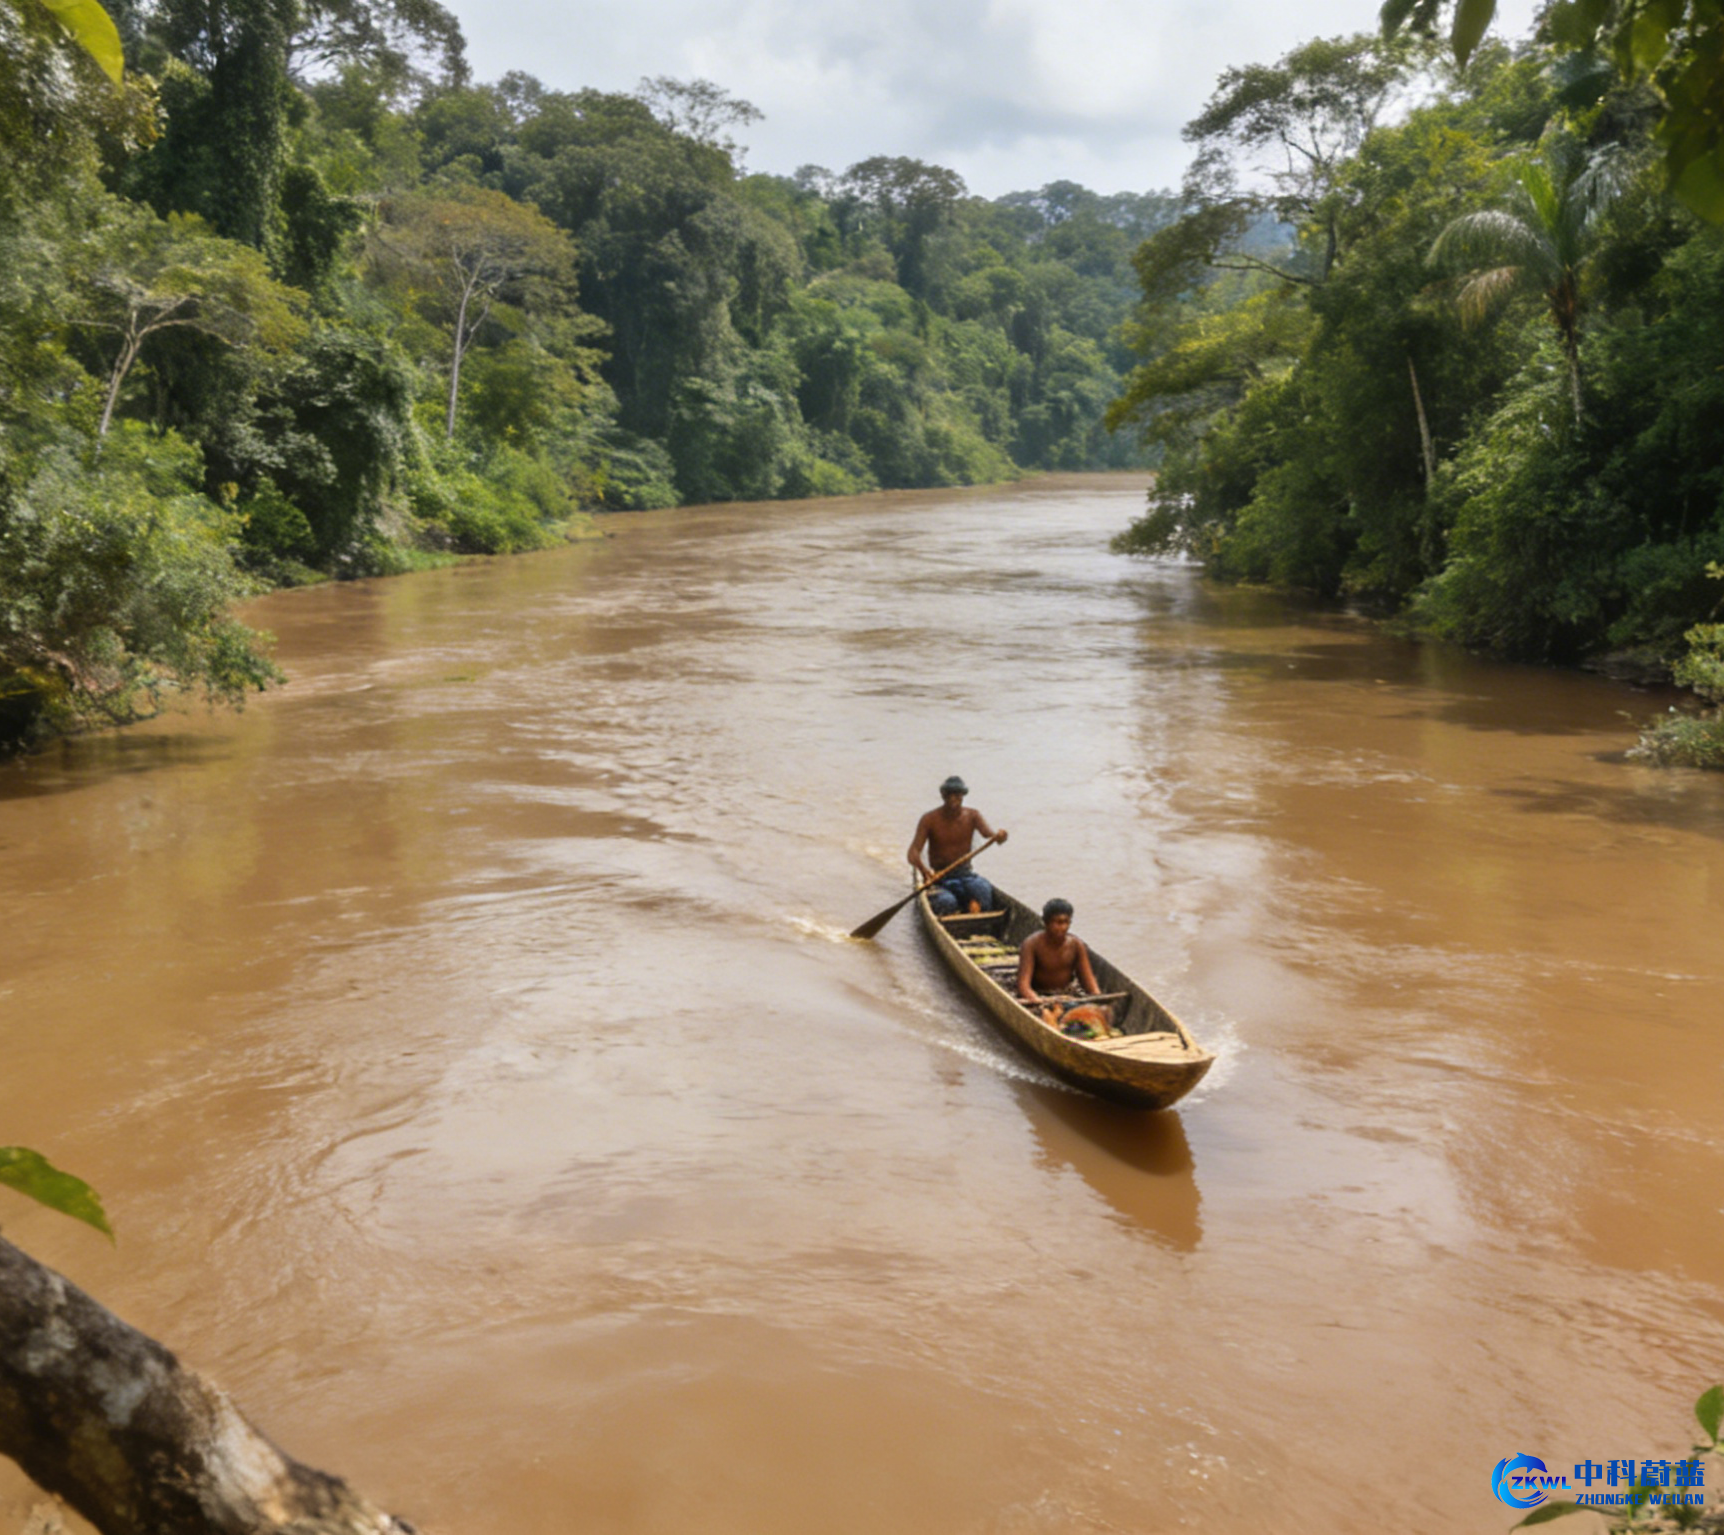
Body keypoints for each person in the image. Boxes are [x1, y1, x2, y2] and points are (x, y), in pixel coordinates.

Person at [908, 776, 1008, 916]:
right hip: (939, 878)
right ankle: (958, 906)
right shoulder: (929, 819)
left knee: (984, 892)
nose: (953, 798)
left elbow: (990, 836)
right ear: (943, 795)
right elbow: (912, 853)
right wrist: (925, 872)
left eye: (957, 794)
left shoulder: (972, 815)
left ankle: (968, 906)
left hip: (965, 874)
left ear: (963, 796)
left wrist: (1000, 837)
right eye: (949, 794)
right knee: (946, 903)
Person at [1016, 898, 1102, 1004]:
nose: (1062, 927)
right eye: (1057, 922)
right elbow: (1023, 985)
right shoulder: (1031, 945)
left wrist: (1098, 998)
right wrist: (1036, 999)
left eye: (1066, 922)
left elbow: (1089, 982)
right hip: (1040, 994)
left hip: (1065, 995)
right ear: (1046, 922)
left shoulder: (1076, 945)